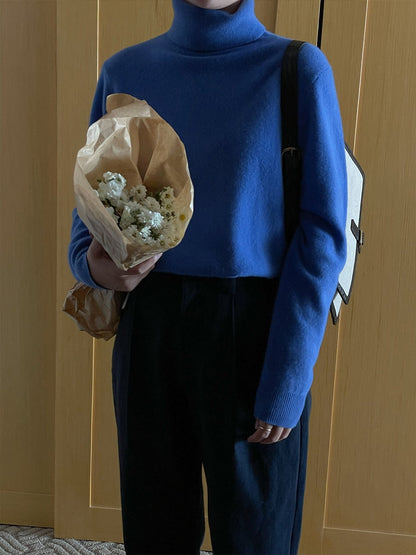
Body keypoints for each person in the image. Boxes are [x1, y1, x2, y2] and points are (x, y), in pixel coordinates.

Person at [68, 0, 347, 553]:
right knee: (154, 531)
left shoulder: (296, 69)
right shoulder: (124, 72)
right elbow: (88, 215)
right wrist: (97, 267)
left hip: (257, 332)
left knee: (256, 538)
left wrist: (289, 376)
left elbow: (322, 233)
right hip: (150, 326)